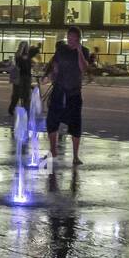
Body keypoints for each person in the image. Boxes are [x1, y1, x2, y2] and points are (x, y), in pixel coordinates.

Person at [45, 26, 89, 166]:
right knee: (52, 120)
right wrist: (50, 74)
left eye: (73, 38)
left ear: (78, 39)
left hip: (74, 92)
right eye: (69, 38)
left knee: (75, 123)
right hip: (59, 89)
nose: (70, 41)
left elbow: (84, 69)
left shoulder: (84, 51)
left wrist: (79, 52)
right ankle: (53, 151)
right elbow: (54, 64)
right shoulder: (61, 49)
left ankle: (75, 156)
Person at [7, 42, 37, 117]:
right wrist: (22, 47)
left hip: (27, 76)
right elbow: (18, 56)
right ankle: (11, 109)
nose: (26, 47)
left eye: (27, 46)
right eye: (24, 46)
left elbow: (35, 52)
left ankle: (26, 110)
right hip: (19, 76)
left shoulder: (28, 55)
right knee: (17, 94)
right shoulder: (18, 54)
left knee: (26, 94)